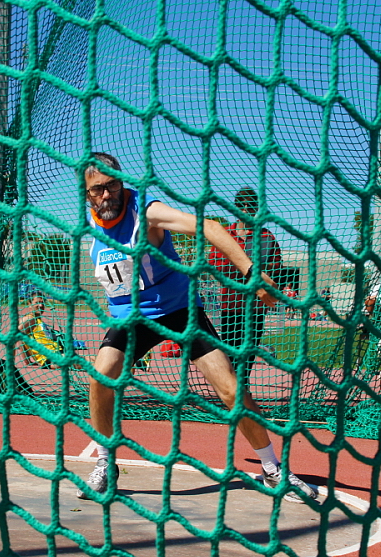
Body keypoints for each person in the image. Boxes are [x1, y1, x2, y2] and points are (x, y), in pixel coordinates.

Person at [78, 152, 317, 503]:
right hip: (130, 319)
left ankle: (271, 469)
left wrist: (252, 272)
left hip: (178, 311)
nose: (106, 195)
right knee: (100, 379)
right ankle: (105, 462)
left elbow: (210, 228)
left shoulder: (146, 211)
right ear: (86, 193)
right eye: (97, 189)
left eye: (112, 185)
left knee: (231, 390)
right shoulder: (92, 222)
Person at [207, 187, 283, 368]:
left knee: (248, 357)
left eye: (251, 204)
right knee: (230, 355)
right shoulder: (225, 234)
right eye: (242, 204)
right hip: (231, 305)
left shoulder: (266, 236)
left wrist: (257, 268)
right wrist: (245, 267)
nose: (246, 208)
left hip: (256, 307)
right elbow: (214, 264)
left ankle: (244, 384)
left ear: (256, 208)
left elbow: (277, 267)